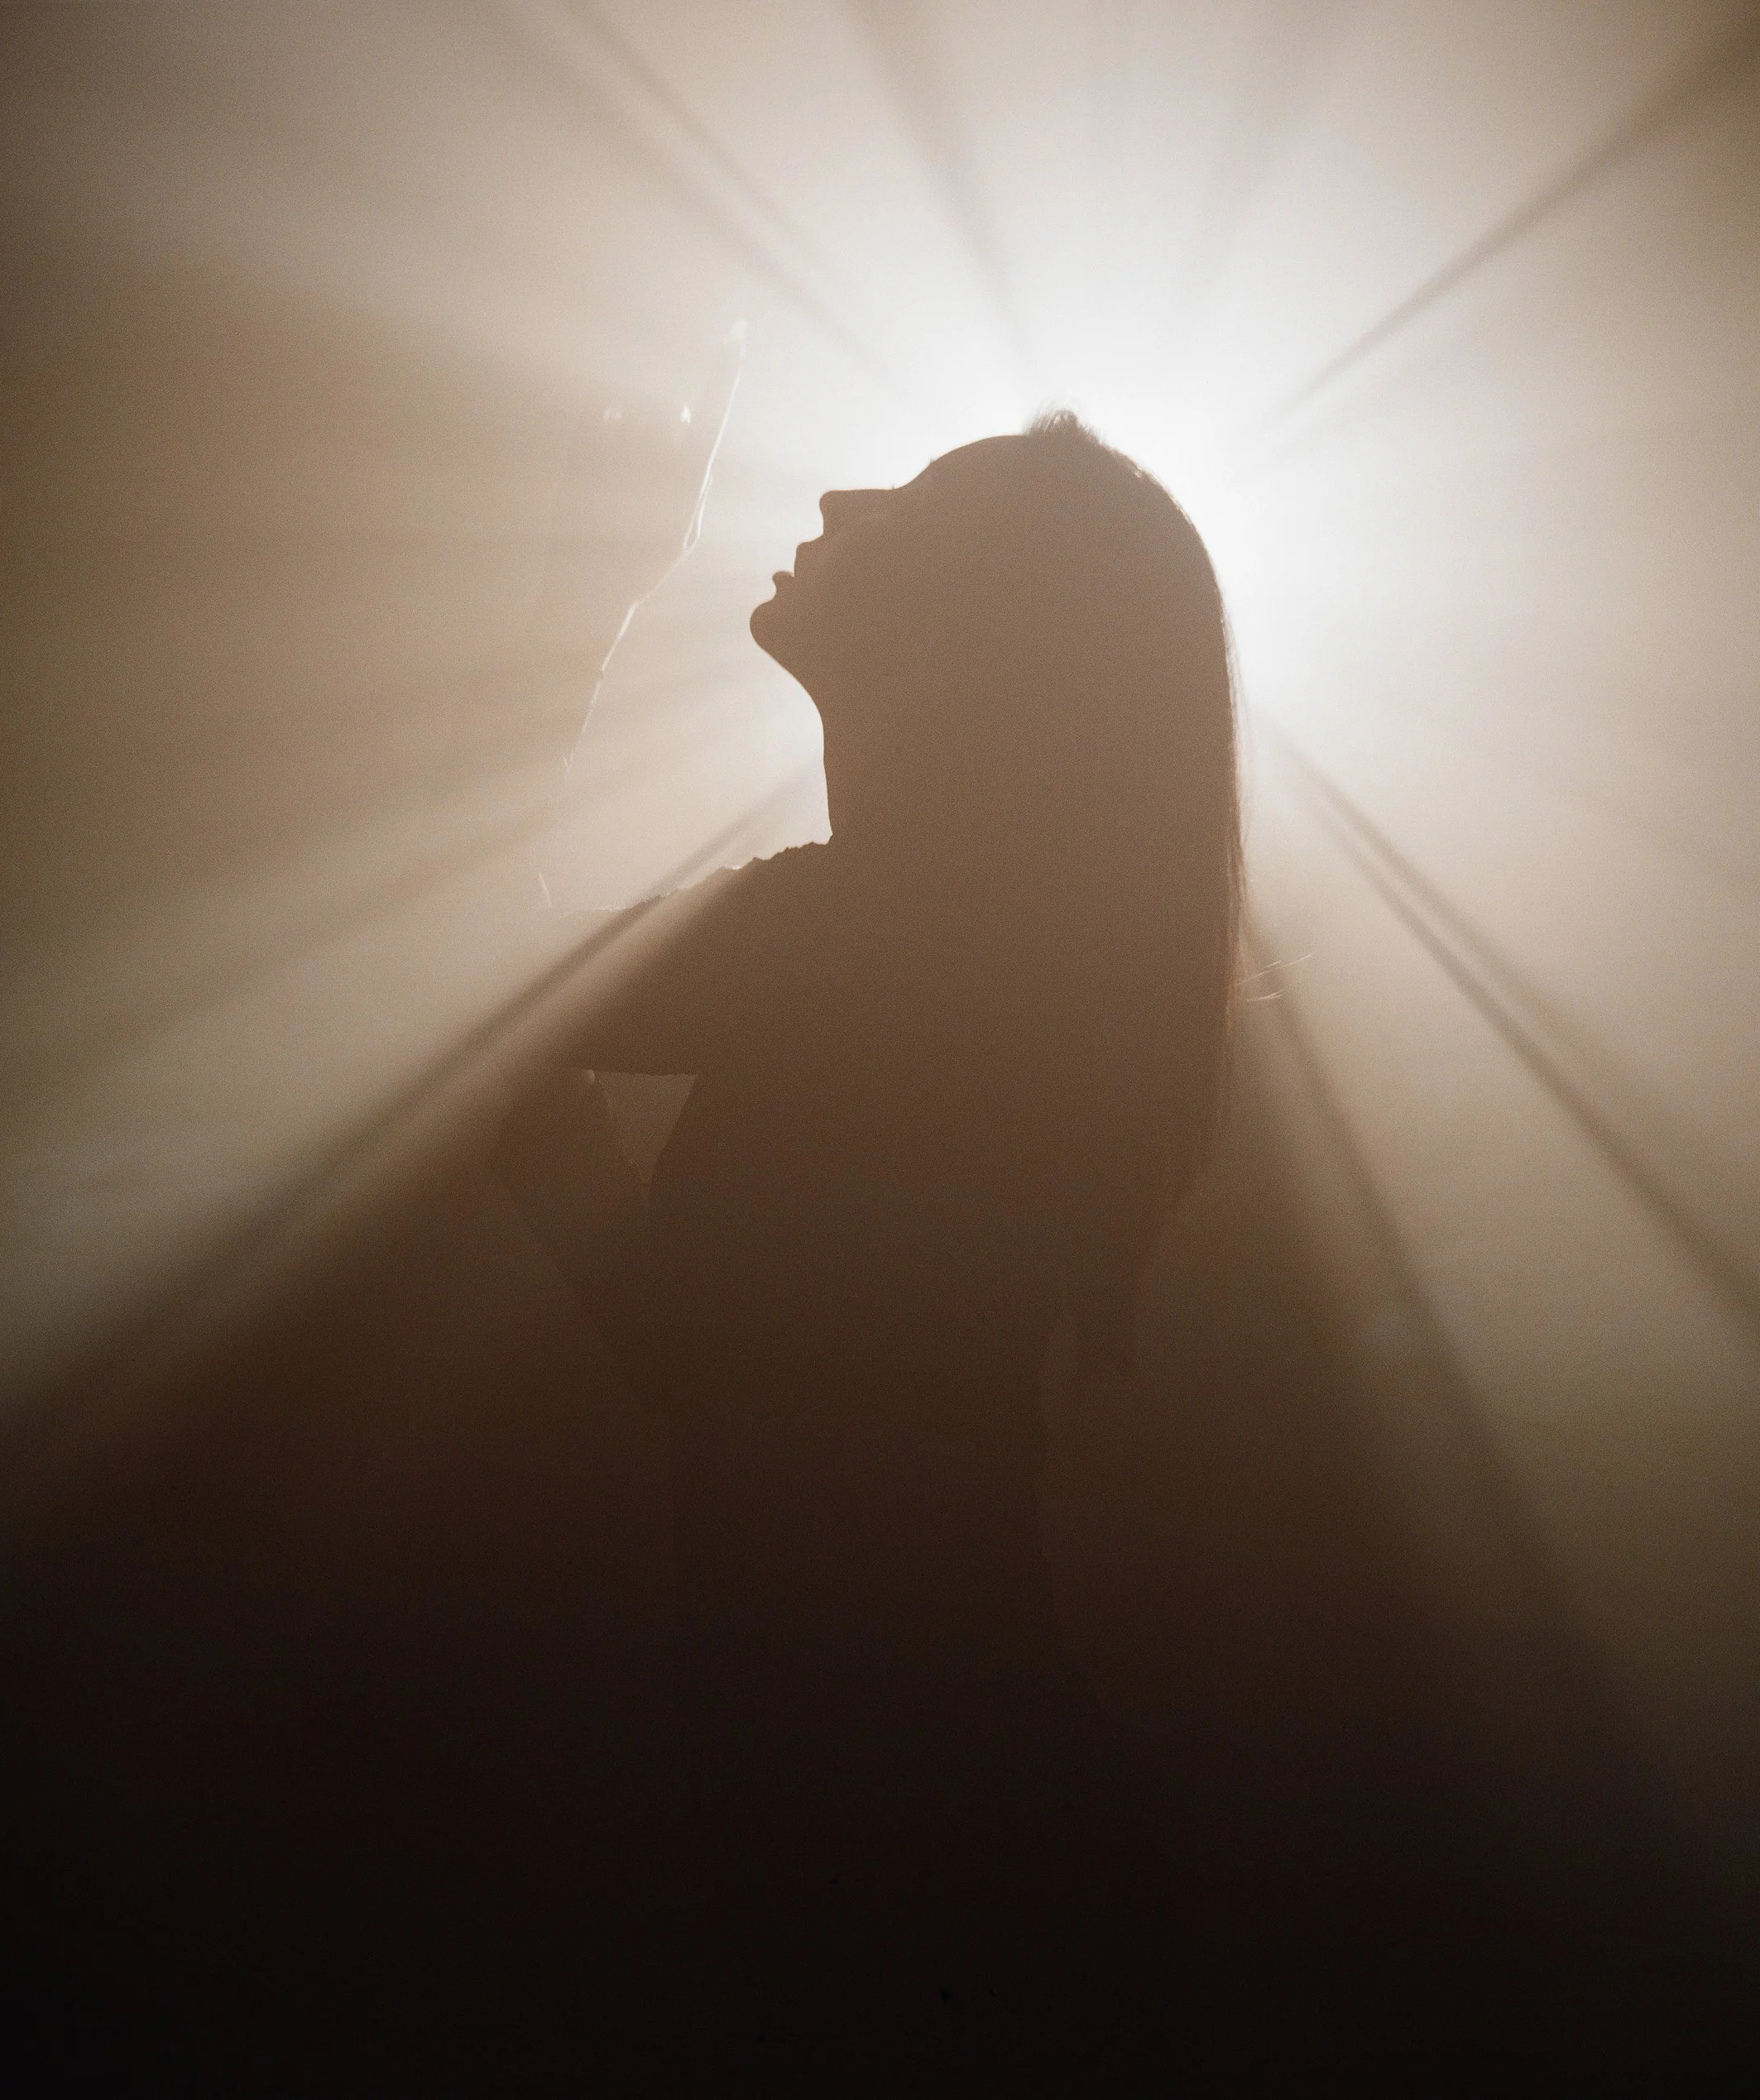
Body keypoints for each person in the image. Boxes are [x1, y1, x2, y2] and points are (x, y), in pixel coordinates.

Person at [495, 410, 1242, 2064]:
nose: (842, 495)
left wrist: (587, 597)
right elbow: (696, 1365)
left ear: (984, 638)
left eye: (911, 505)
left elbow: (467, 972)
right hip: (917, 1805)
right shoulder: (930, 939)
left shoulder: (880, 941)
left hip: (900, 1826)